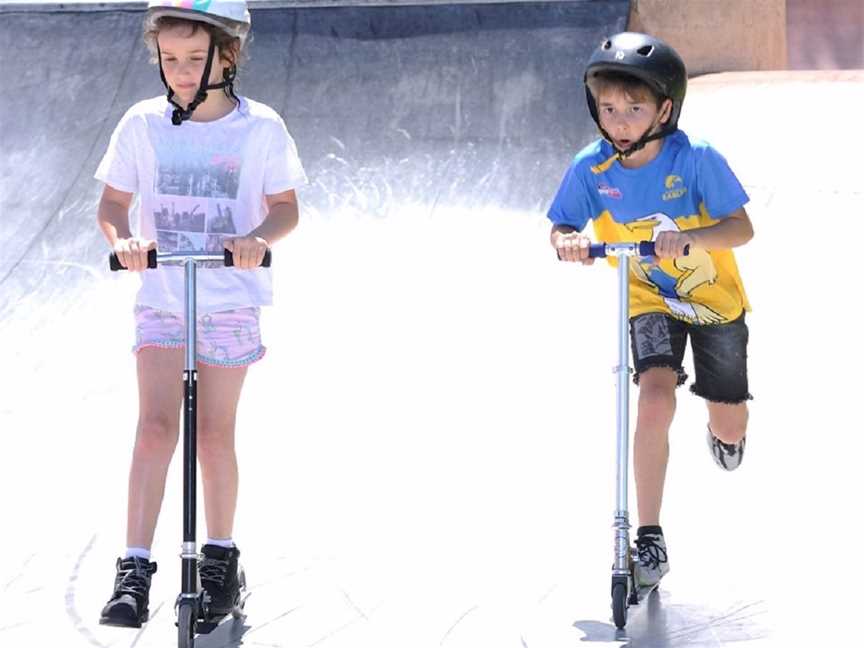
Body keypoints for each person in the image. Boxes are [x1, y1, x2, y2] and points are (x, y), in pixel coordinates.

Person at [95, 0, 307, 627]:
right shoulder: (143, 124)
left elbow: (286, 208)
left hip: (228, 297)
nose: (182, 72)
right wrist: (123, 242)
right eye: (170, 60)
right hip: (163, 296)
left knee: (214, 433)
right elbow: (112, 204)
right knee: (156, 427)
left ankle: (219, 558)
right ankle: (133, 566)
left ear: (227, 55)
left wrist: (260, 238)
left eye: (194, 58)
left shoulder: (261, 128)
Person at [547, 32, 754, 589]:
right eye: (609, 109)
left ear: (664, 109)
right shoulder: (592, 168)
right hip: (646, 298)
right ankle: (649, 537)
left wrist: (689, 239)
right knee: (655, 398)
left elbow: (743, 228)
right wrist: (566, 240)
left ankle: (727, 432)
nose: (619, 122)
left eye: (633, 109)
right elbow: (561, 223)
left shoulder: (697, 159)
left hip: (713, 303)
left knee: (728, 419)